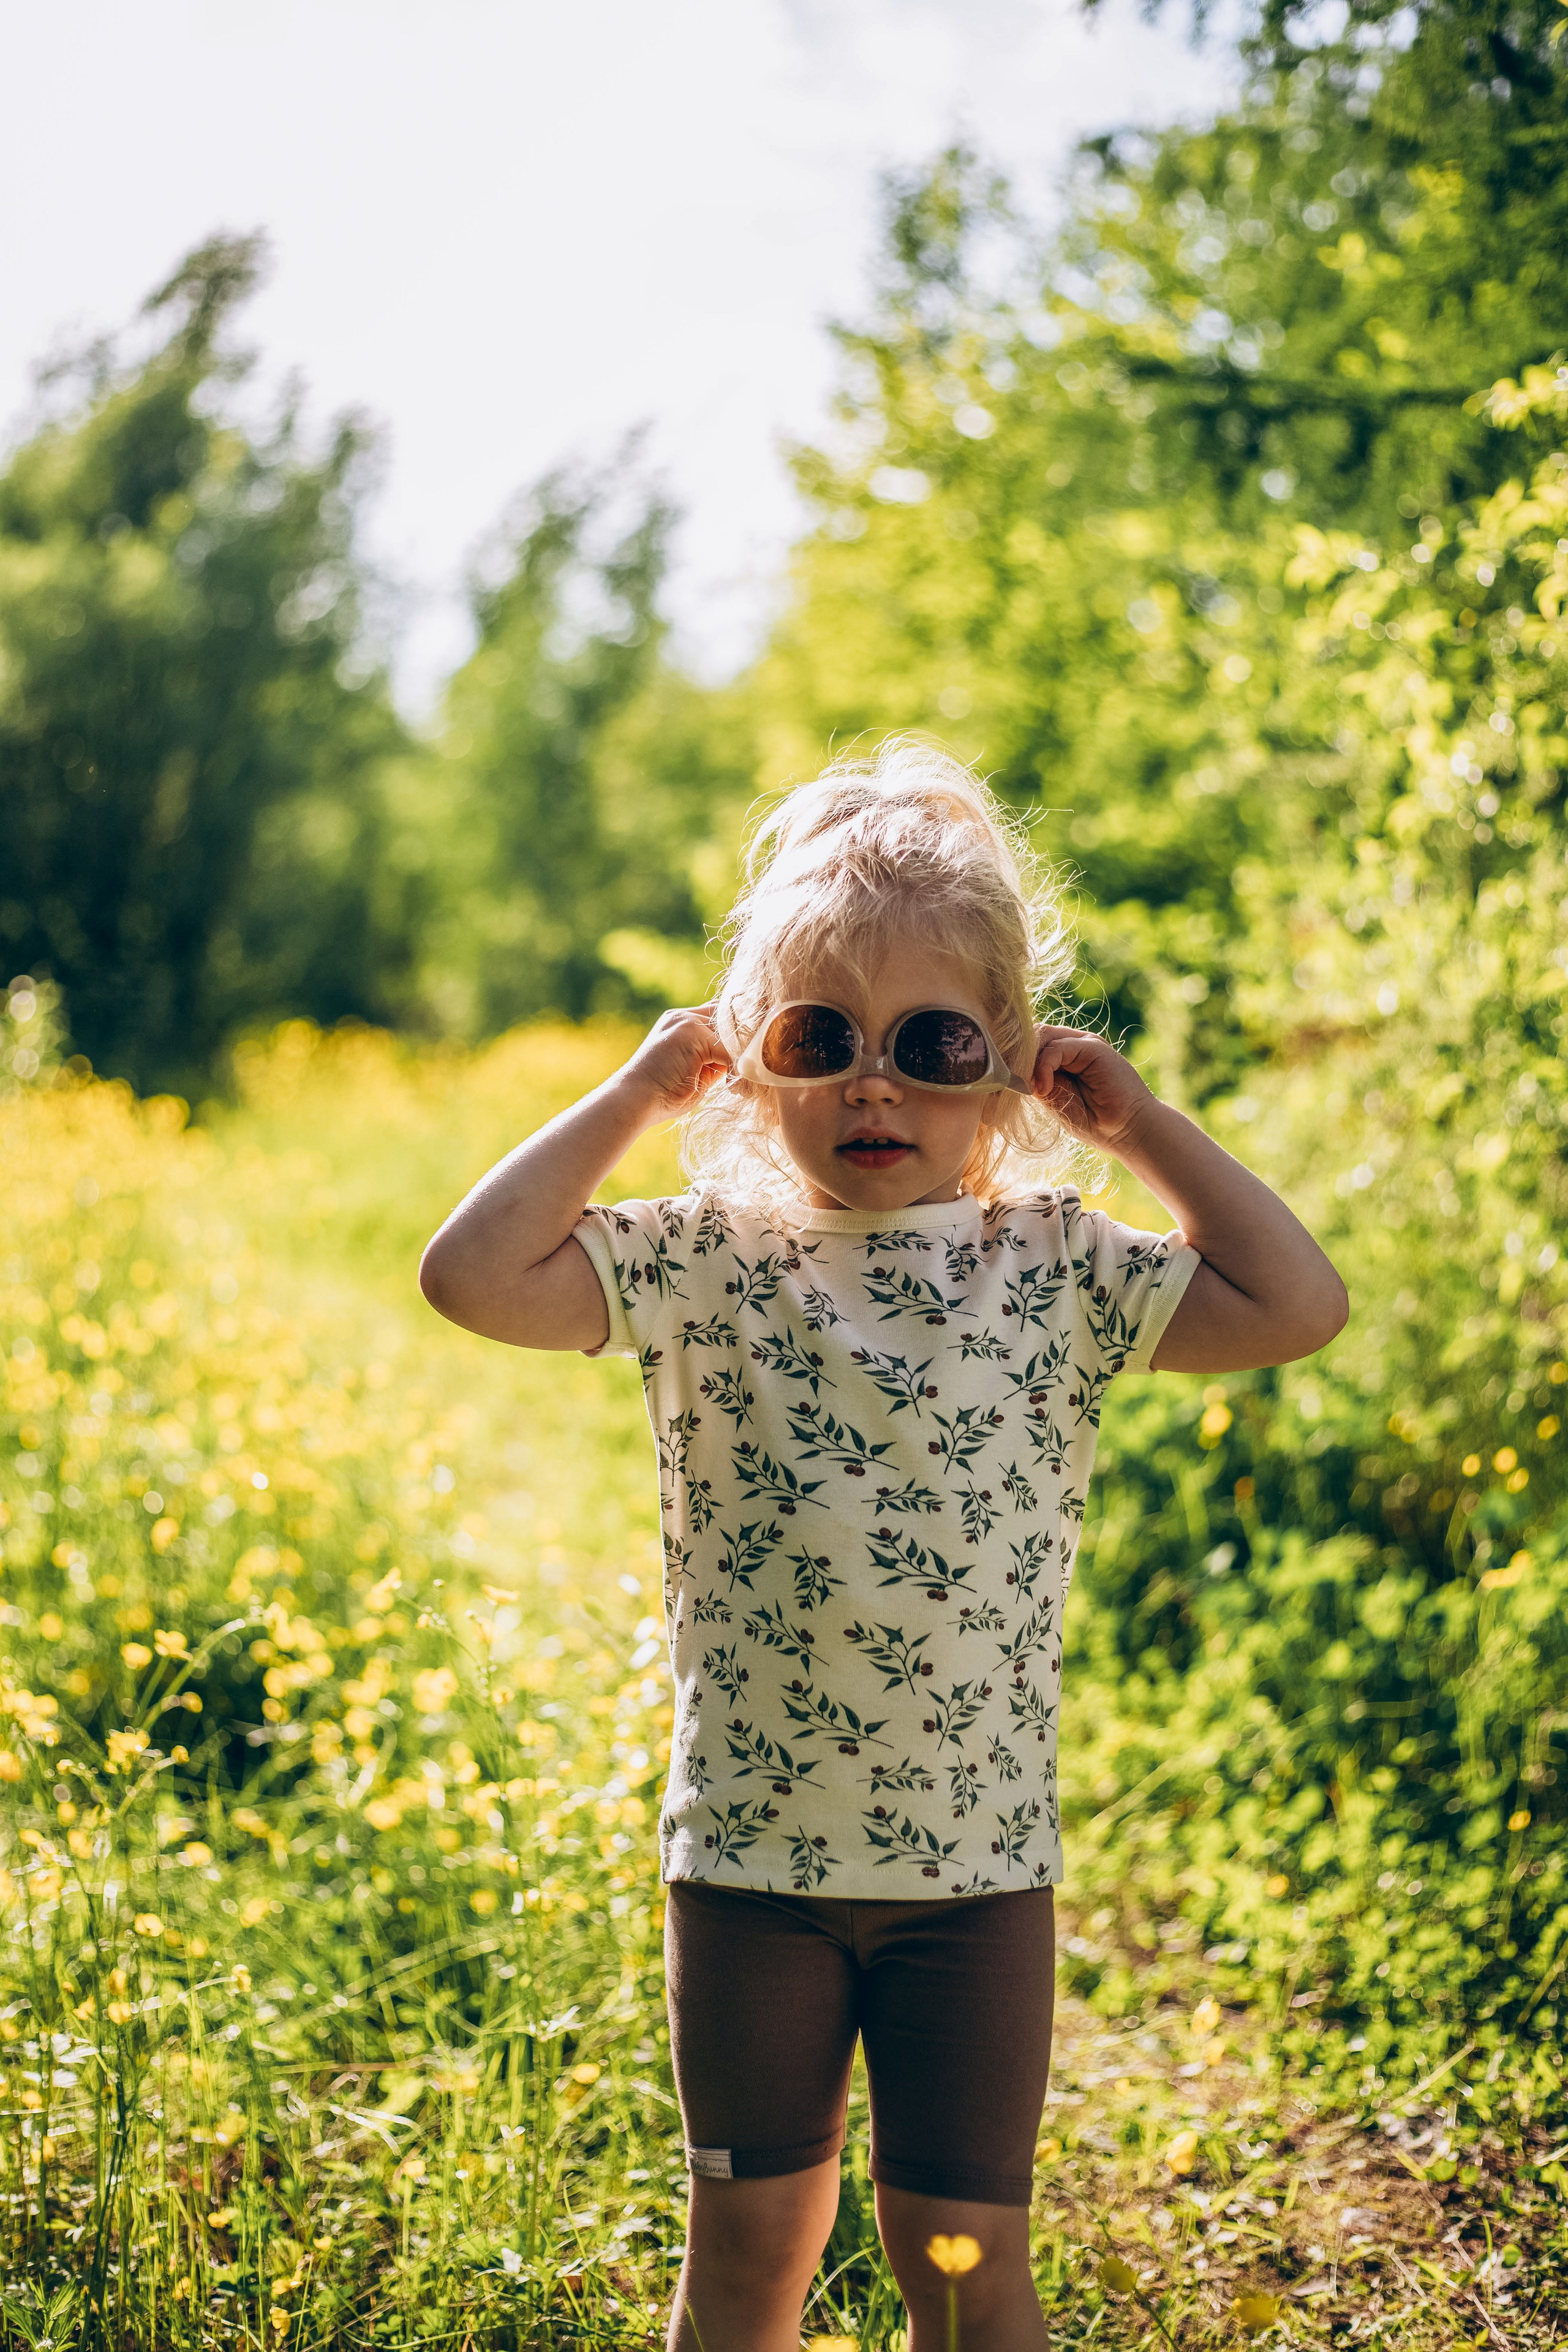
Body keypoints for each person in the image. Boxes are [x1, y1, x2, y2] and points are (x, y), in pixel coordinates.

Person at [419, 738, 1348, 2352]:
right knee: (747, 2266)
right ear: (751, 1056)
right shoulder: (706, 1259)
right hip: (755, 1874)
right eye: (817, 1037)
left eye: (932, 1042)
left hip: (975, 1882)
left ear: (1012, 1064)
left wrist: (1144, 1130)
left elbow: (1296, 1304)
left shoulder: (1056, 1265)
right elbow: (470, 1275)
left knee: (970, 2273)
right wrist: (639, 1095)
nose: (872, 1085)